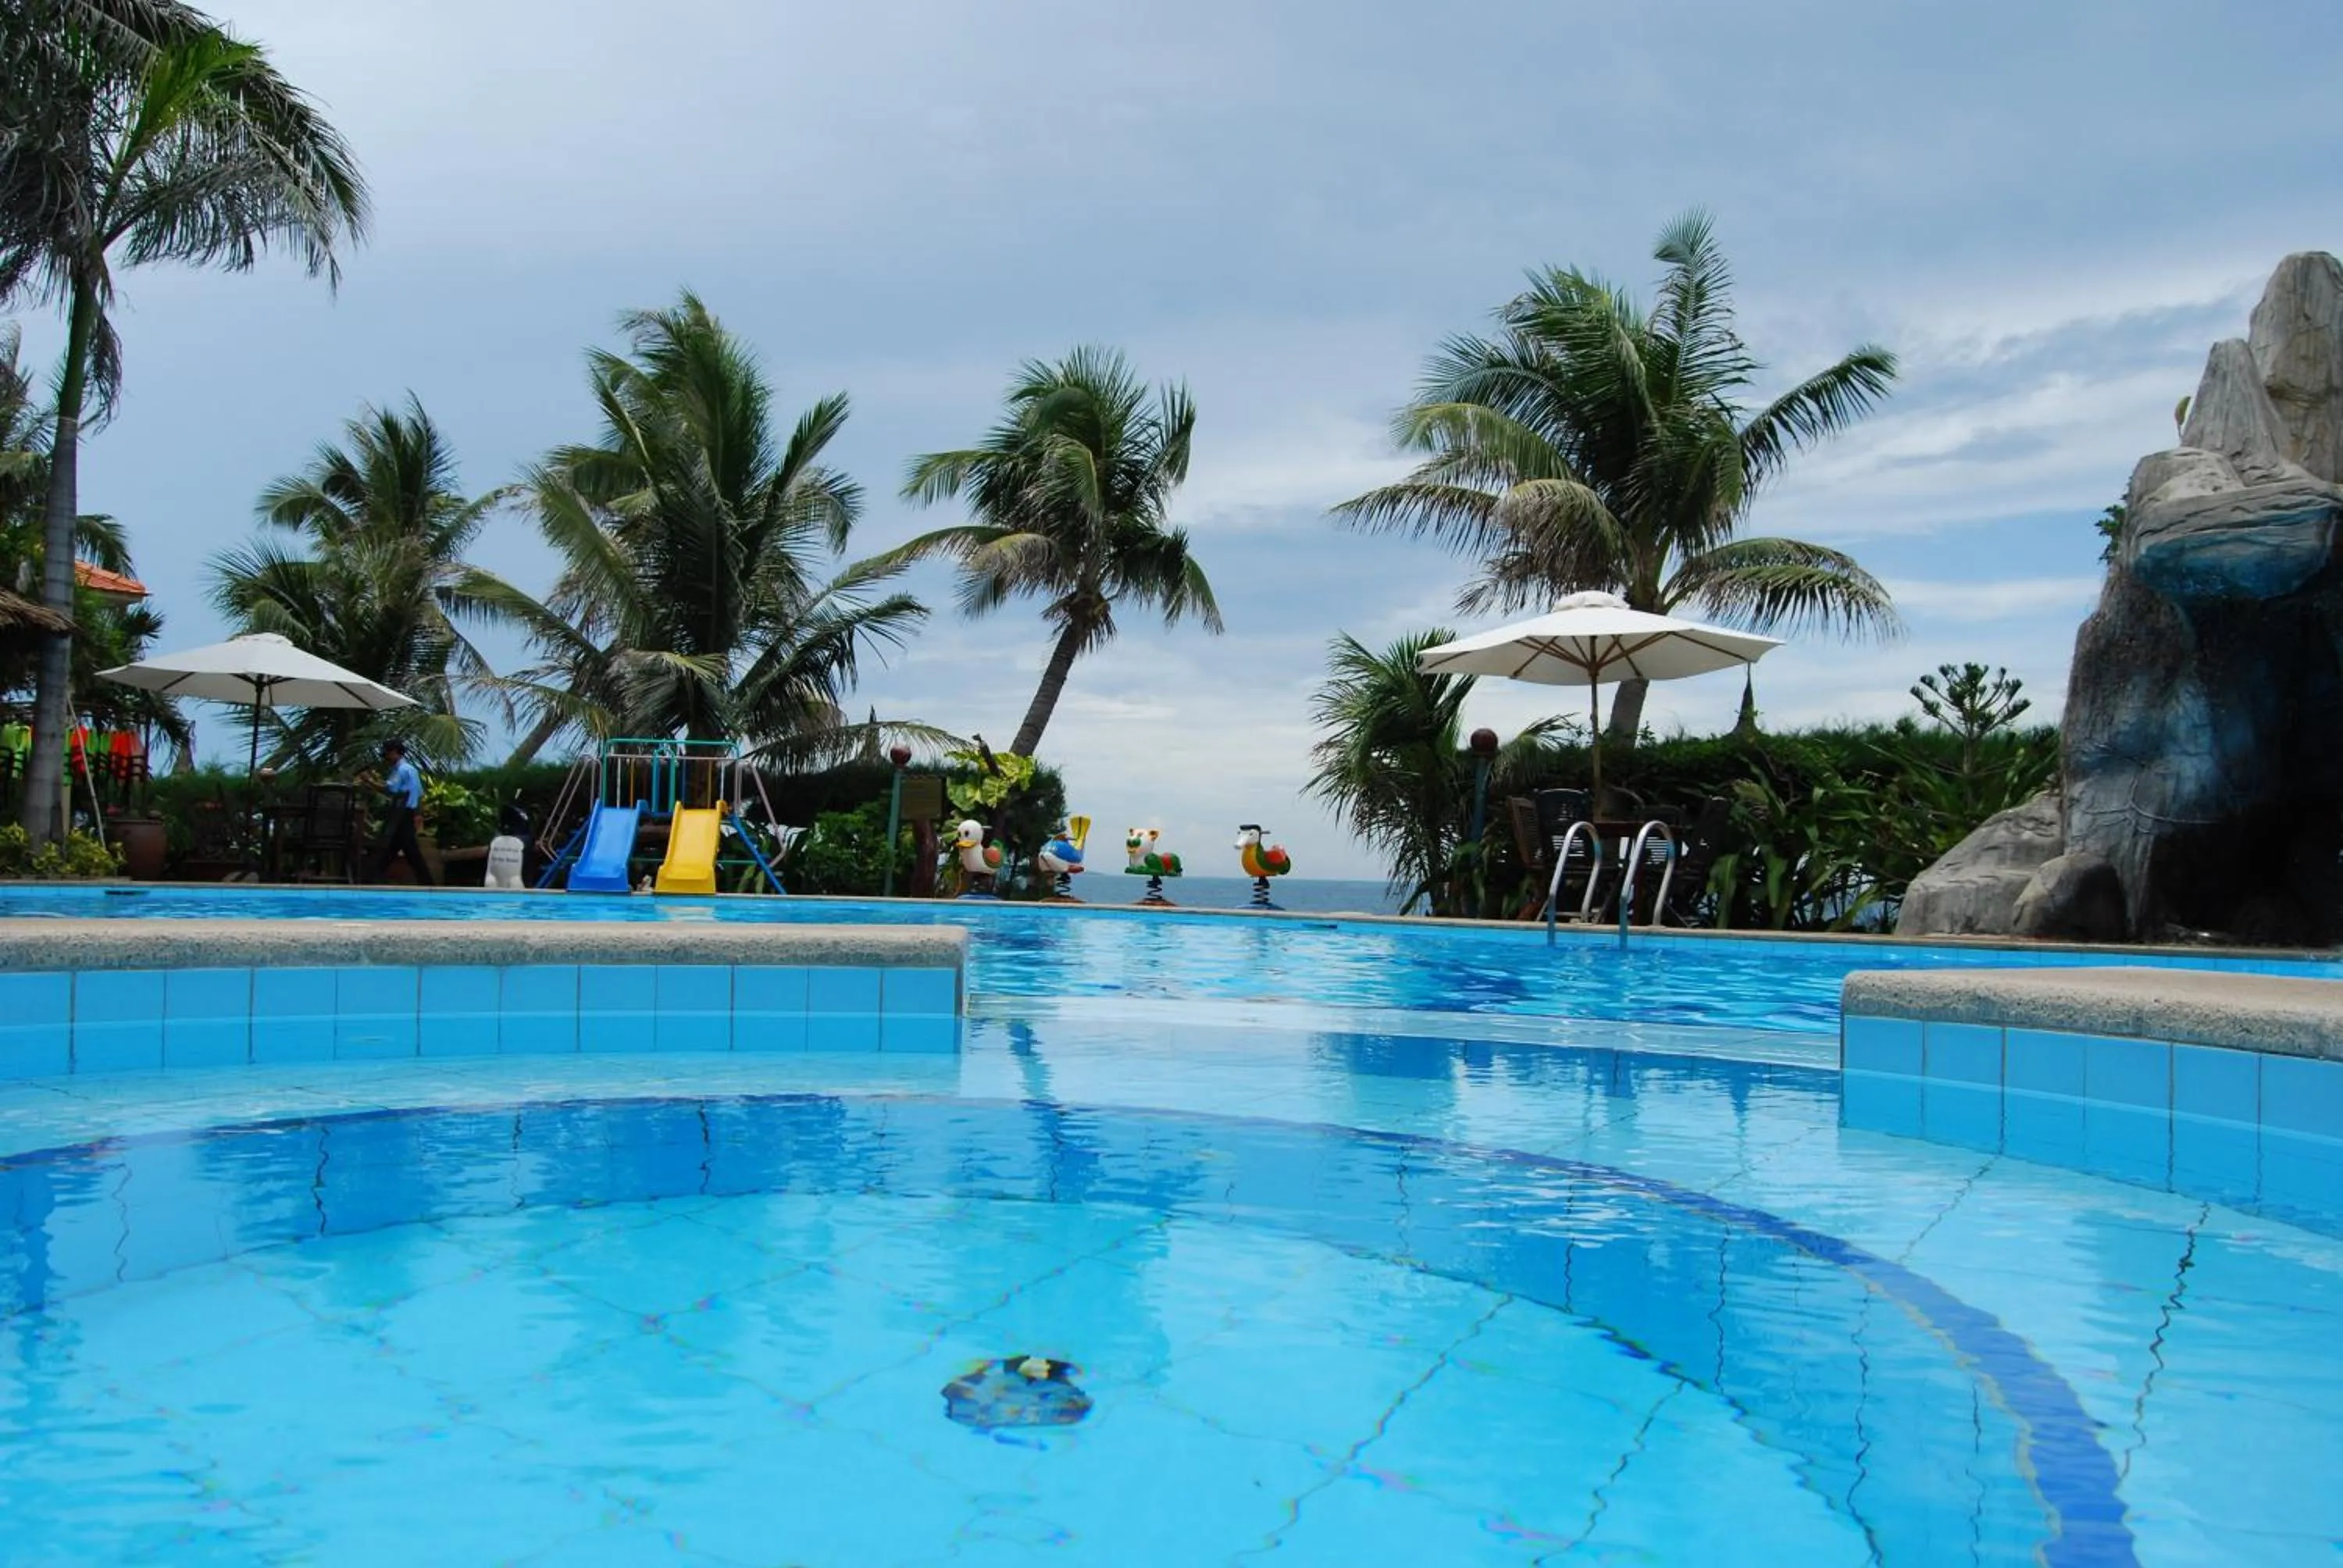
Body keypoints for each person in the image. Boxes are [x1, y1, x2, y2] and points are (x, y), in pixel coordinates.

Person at [363, 739, 433, 886]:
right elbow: (419, 794)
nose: (386, 758)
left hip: (402, 813)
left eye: (388, 754)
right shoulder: (411, 769)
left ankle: (427, 882)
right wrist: (418, 814)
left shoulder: (400, 770)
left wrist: (369, 781)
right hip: (408, 812)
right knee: (393, 848)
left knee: (409, 850)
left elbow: (390, 789)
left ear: (395, 752)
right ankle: (373, 877)